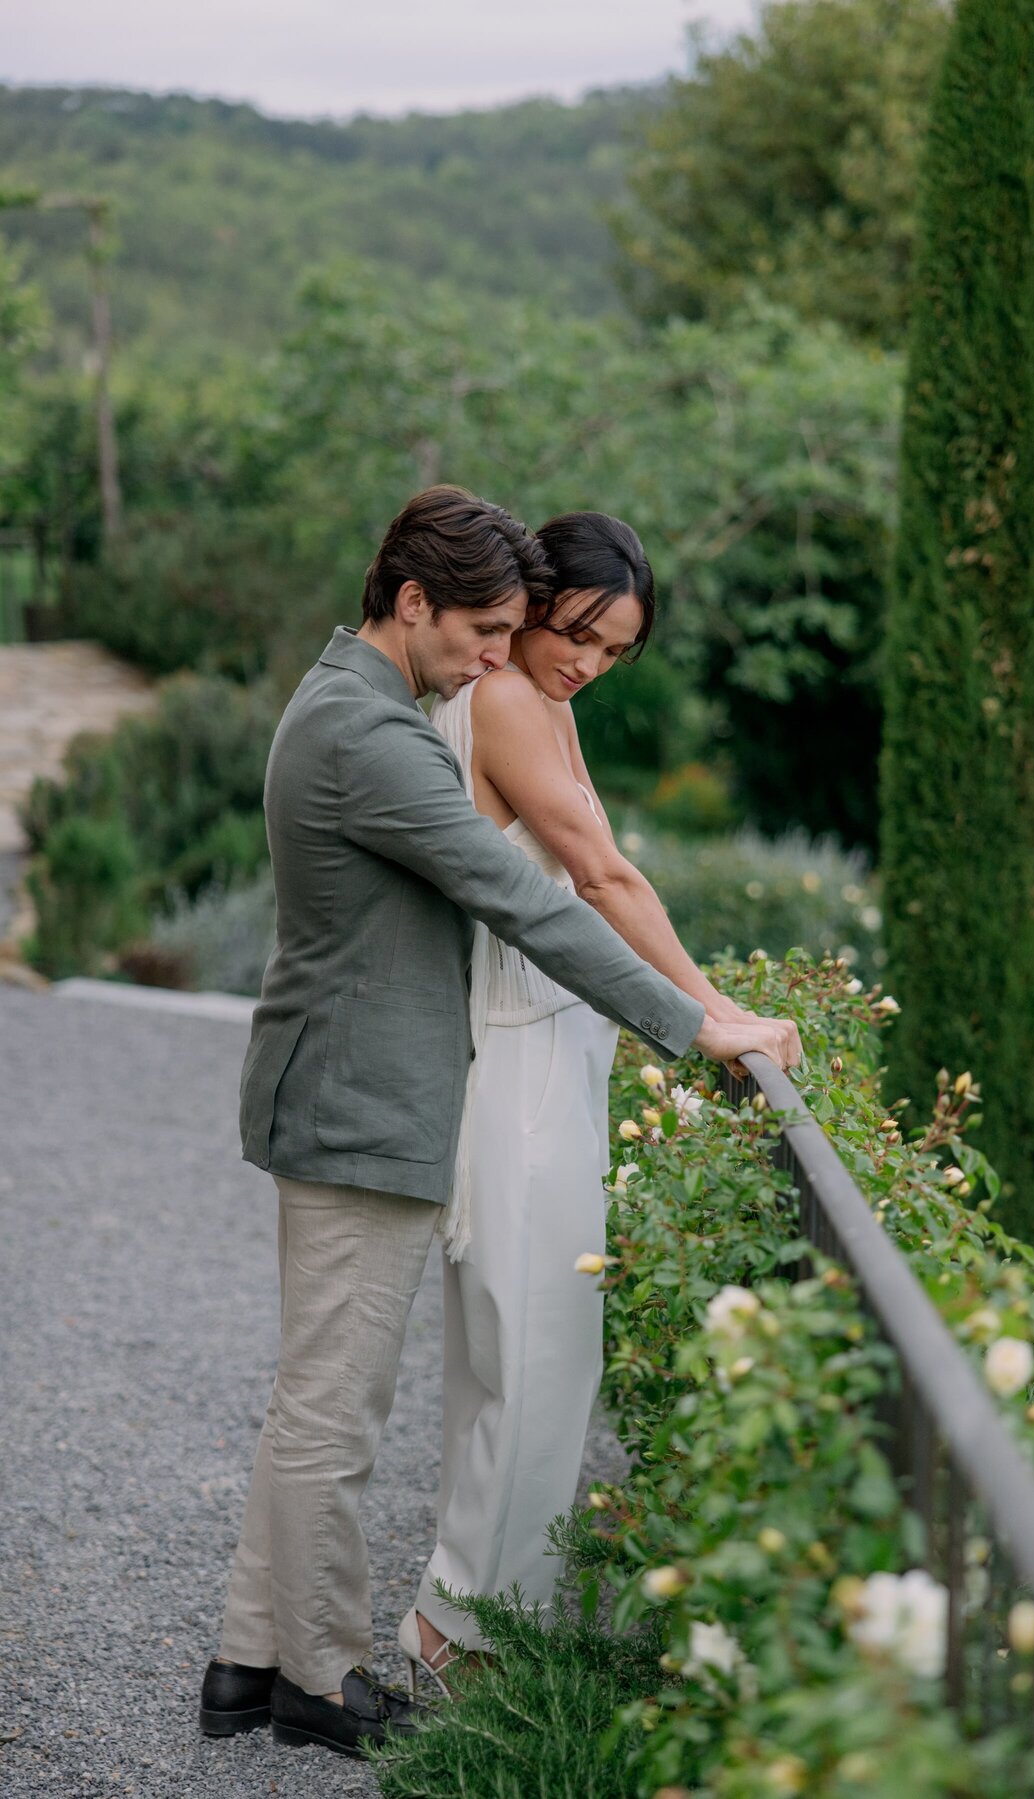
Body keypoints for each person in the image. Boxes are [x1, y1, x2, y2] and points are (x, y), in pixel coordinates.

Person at [198, 485, 800, 1760]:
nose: (494, 661)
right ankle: (318, 1673)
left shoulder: (364, 704)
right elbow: (530, 902)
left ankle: (250, 1656)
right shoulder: (374, 734)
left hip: (353, 1093)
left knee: (315, 1396)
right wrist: (699, 1024)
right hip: (365, 1103)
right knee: (335, 1411)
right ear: (411, 603)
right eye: (483, 630)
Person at [399, 510, 769, 1695]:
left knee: (522, 1360)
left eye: (615, 651)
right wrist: (716, 1014)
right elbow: (600, 876)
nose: (588, 665)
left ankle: (475, 1621)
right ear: (540, 596)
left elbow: (598, 869)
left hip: (556, 1049)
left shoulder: (541, 700)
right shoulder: (505, 700)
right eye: (579, 634)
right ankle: (460, 1638)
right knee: (535, 1357)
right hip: (513, 1061)